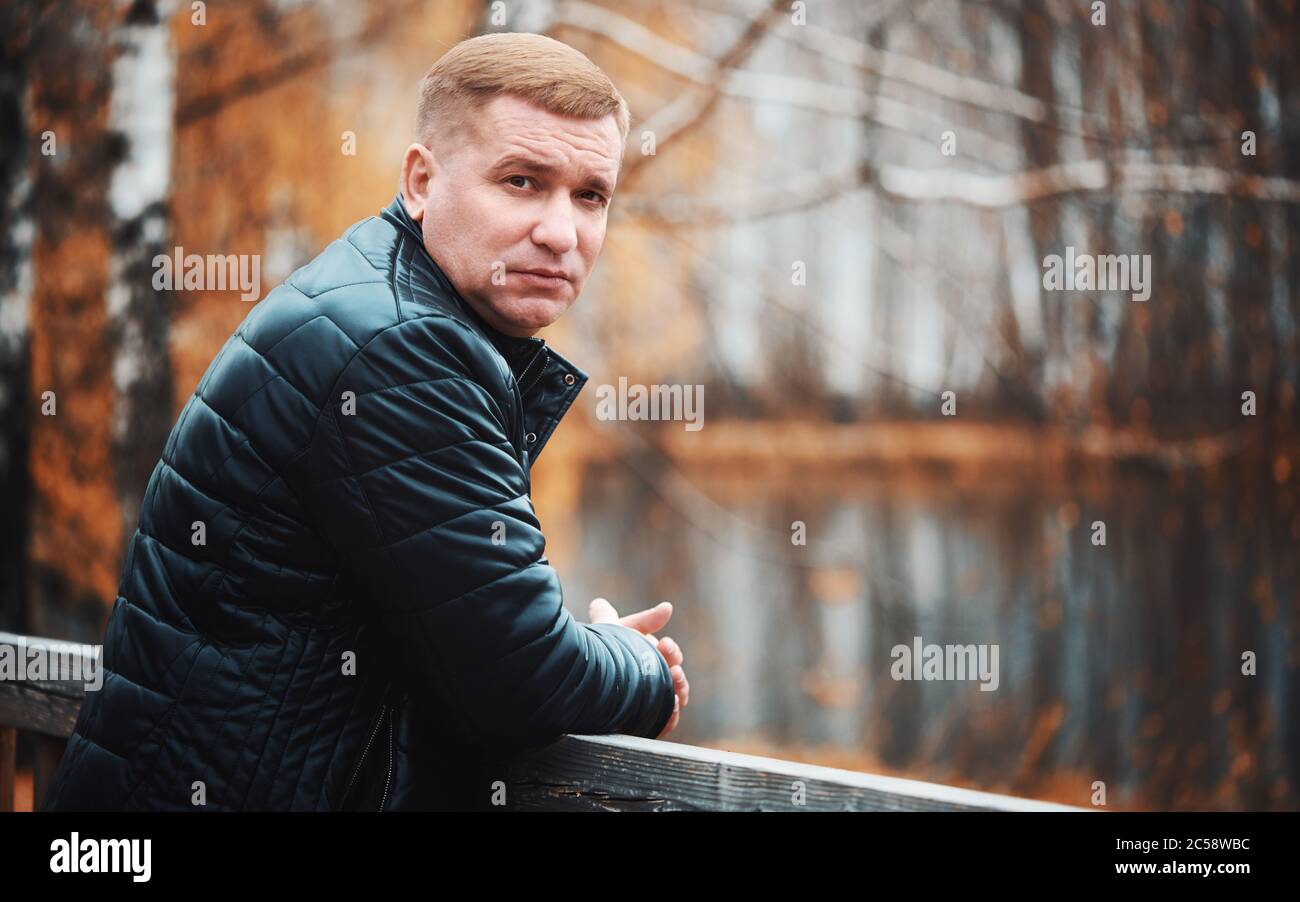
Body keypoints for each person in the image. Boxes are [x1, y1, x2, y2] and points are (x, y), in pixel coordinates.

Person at [43, 31, 689, 812]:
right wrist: (642, 668)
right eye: (522, 181)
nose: (561, 232)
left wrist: (583, 651)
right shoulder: (403, 349)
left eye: (591, 195)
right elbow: (519, 678)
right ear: (421, 180)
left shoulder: (379, 301)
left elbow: (467, 636)